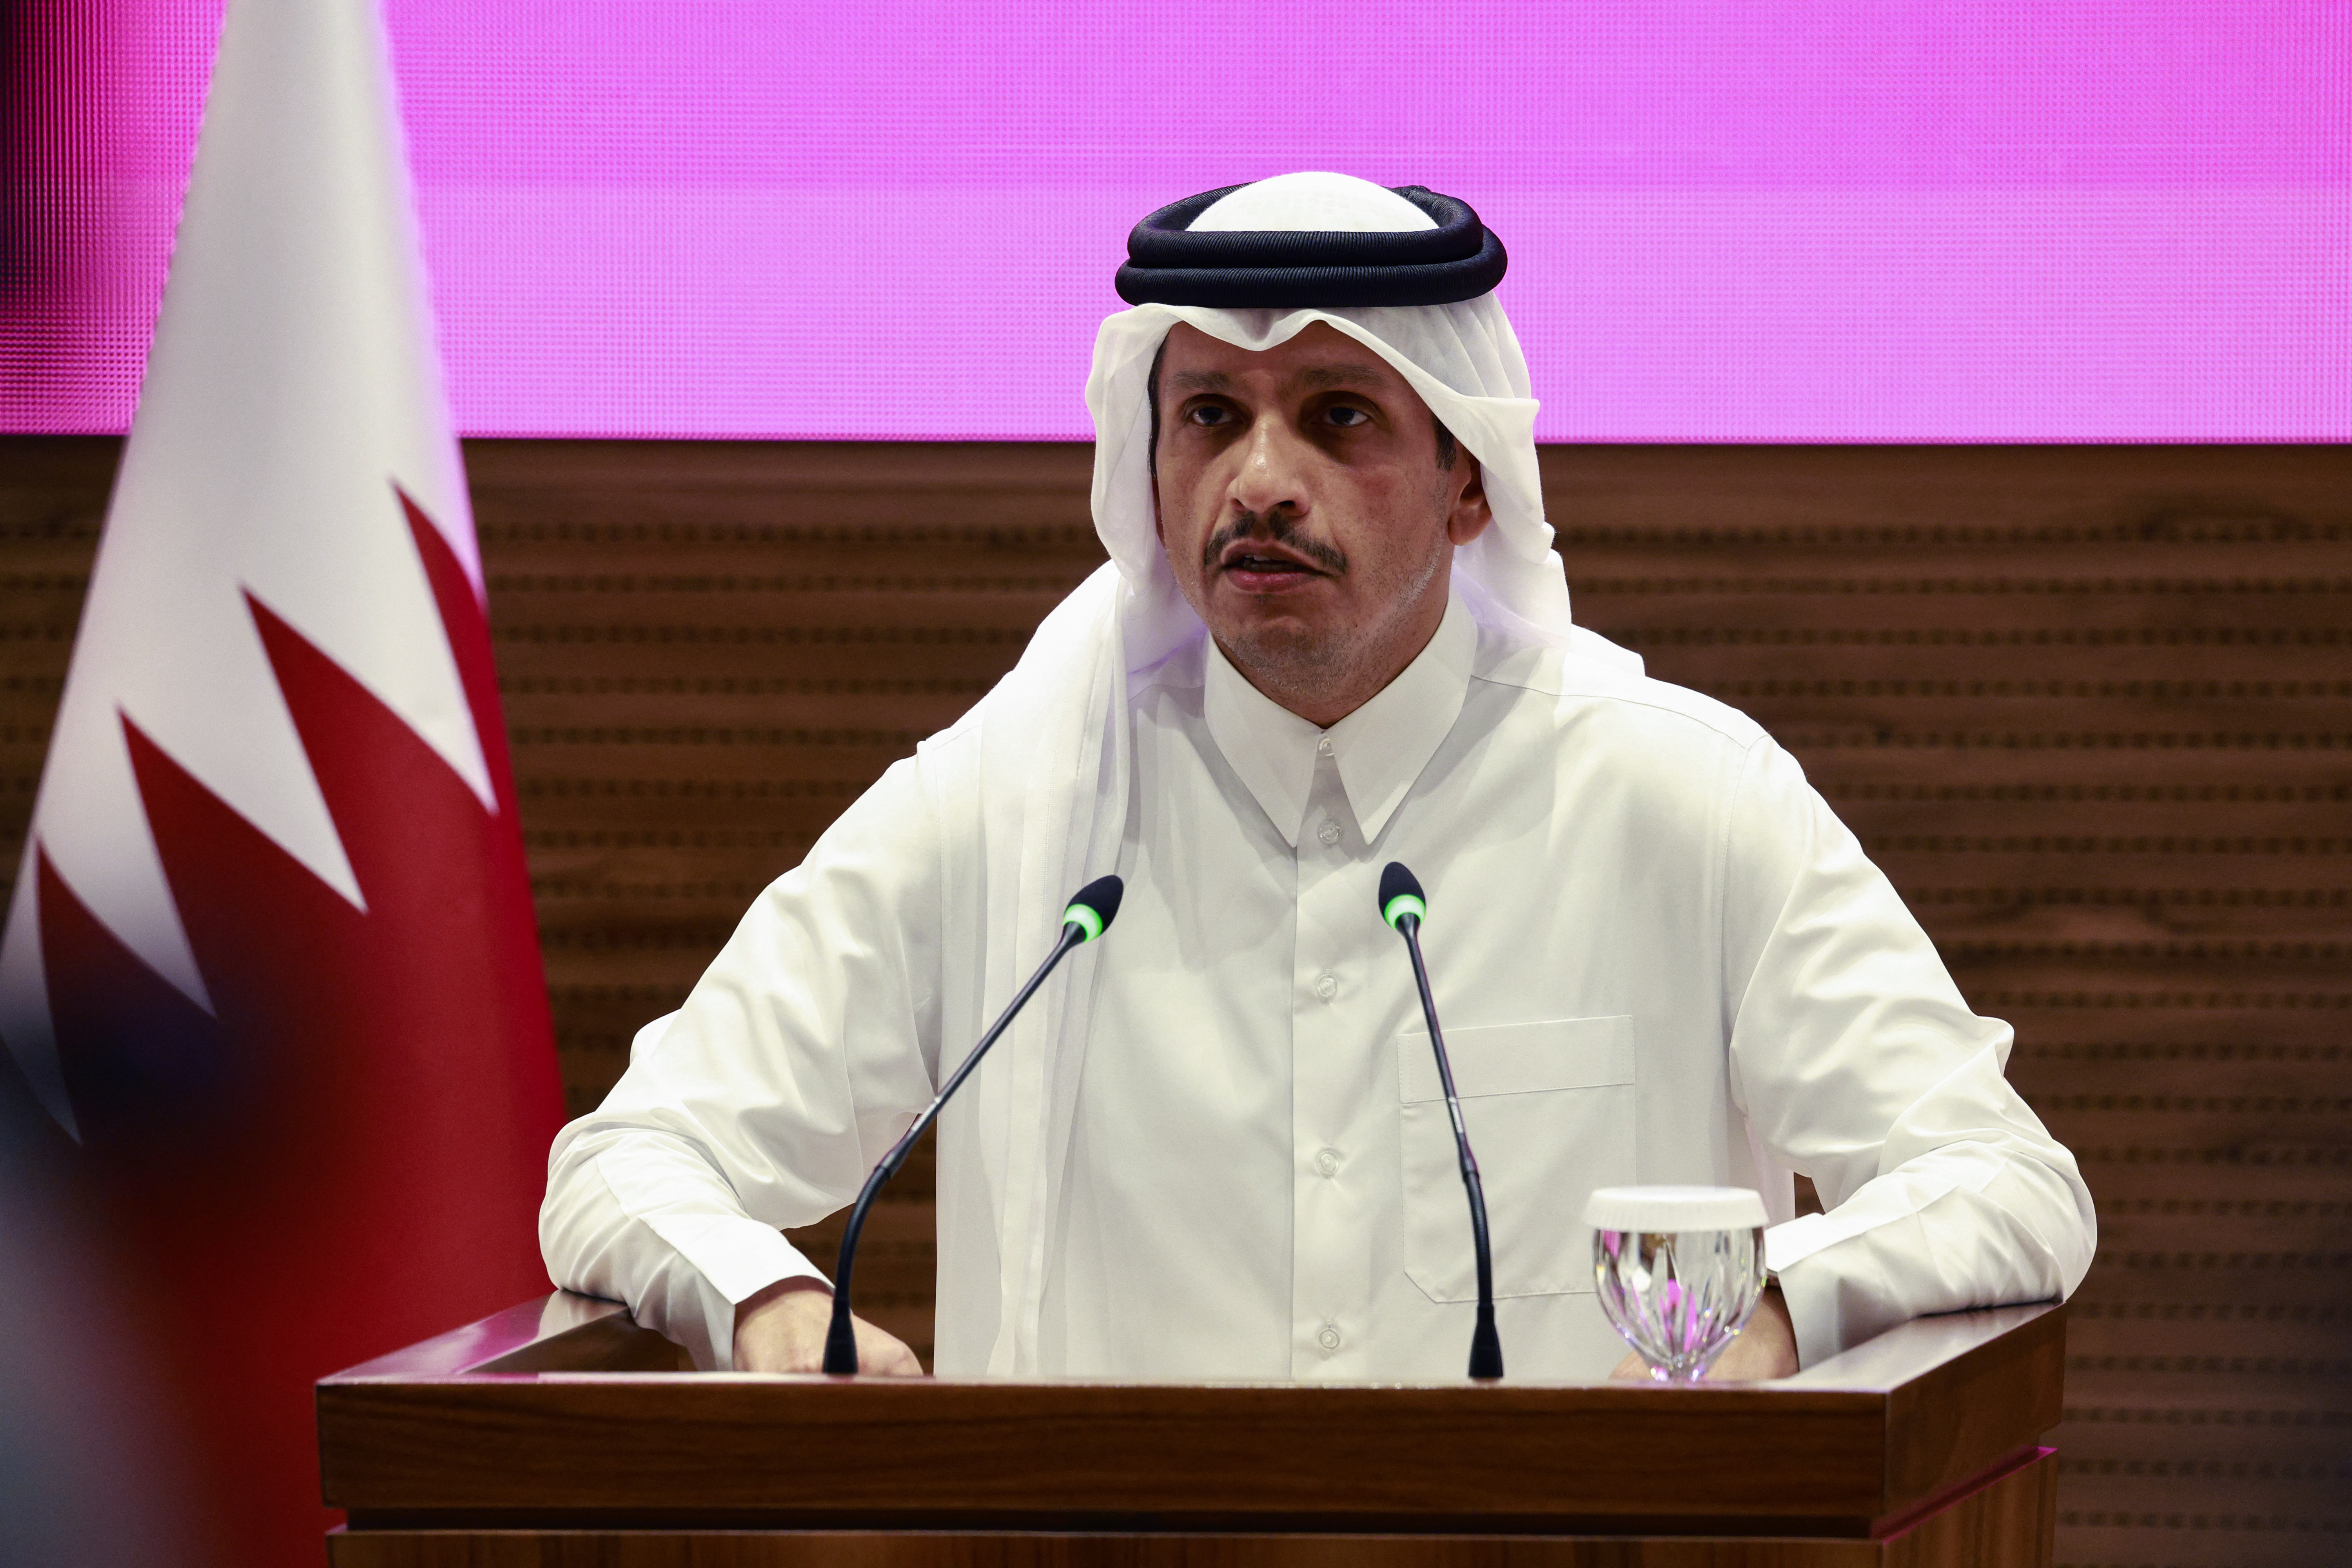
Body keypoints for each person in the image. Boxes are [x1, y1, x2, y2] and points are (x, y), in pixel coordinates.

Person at [539, 172, 2096, 1381]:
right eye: (1210, 417)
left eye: (1337, 416)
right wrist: (766, 1297)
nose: (1262, 480)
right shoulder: (1007, 817)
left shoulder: (1678, 800)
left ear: (1470, 480)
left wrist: (1779, 1307)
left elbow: (2008, 1182)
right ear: (1149, 472)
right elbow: (625, 1162)